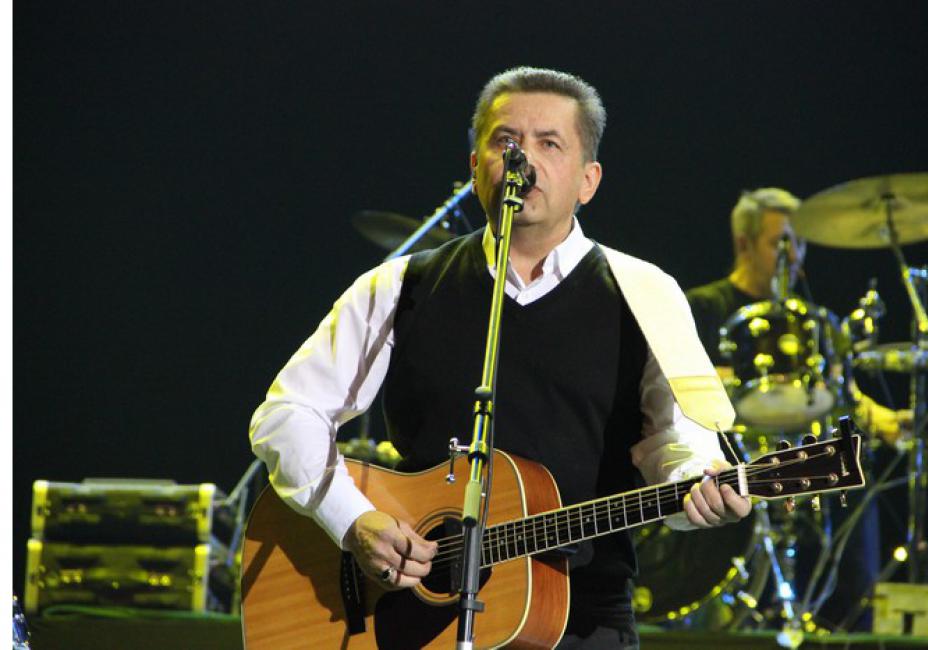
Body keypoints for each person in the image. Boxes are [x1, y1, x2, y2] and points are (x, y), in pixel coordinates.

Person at [249, 66, 751, 649]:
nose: (522, 160)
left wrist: (697, 487)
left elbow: (677, 442)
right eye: (505, 141)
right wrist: (353, 520)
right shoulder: (401, 285)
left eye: (549, 143)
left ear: (588, 180)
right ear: (475, 166)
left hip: (581, 620)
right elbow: (286, 413)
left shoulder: (646, 291)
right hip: (407, 620)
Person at [685, 187, 907, 629]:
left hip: (805, 463)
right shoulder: (704, 307)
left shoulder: (813, 319)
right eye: (780, 242)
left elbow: (841, 392)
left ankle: (851, 619)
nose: (794, 255)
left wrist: (886, 420)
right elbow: (679, 386)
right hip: (732, 467)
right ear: (744, 244)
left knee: (855, 471)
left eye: (799, 243)